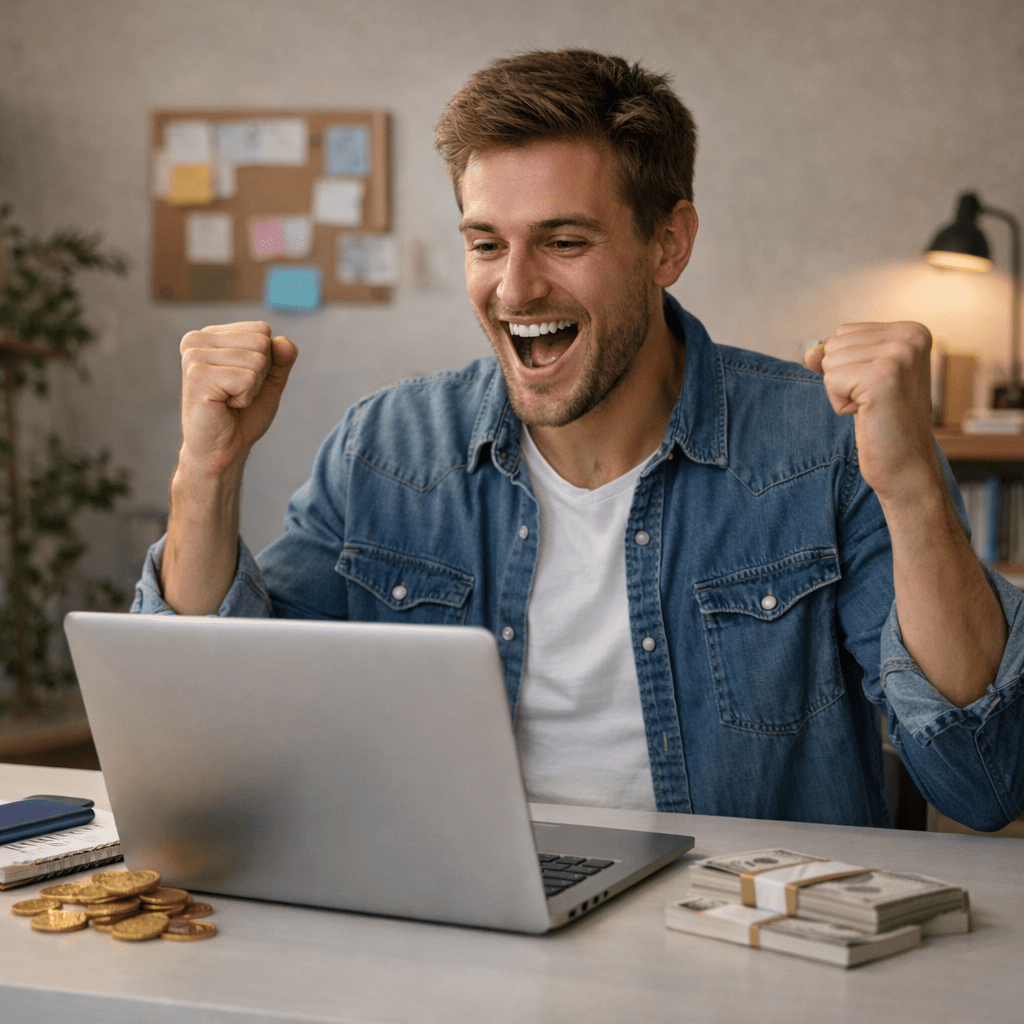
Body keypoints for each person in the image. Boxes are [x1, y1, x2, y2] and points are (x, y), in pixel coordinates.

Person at [135, 50, 1023, 830]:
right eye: (487, 243)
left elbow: (983, 781)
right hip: (462, 932)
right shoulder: (387, 449)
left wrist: (910, 485)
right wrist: (204, 472)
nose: (515, 289)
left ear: (668, 243)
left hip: (744, 957)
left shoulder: (822, 444)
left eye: (563, 241)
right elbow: (216, 745)